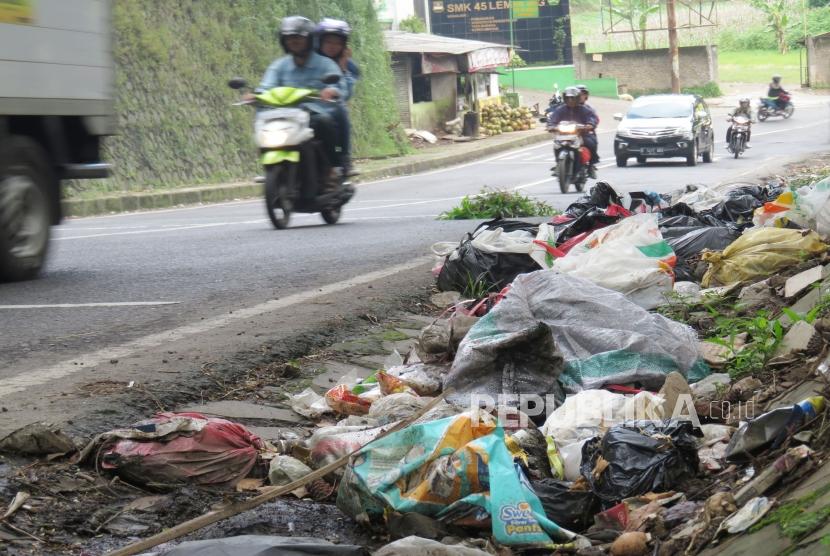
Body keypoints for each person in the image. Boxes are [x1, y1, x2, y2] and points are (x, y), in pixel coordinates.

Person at [258, 16, 349, 188]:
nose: (294, 41)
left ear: (309, 39)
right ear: (283, 41)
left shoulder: (325, 64)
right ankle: (272, 168)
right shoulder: (279, 66)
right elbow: (266, 86)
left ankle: (332, 168)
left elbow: (340, 87)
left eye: (298, 37)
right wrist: (254, 95)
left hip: (314, 116)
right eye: (289, 38)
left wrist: (332, 91)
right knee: (263, 125)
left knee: (324, 122)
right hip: (285, 117)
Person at [315, 17, 360, 177]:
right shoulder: (308, 59)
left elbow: (346, 93)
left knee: (340, 109)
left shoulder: (349, 66)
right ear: (319, 42)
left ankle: (344, 158)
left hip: (329, 108)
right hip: (304, 106)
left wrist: (343, 68)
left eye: (337, 43)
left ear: (343, 45)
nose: (332, 46)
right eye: (328, 42)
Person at [547, 87, 599, 178]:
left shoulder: (585, 109)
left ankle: (590, 166)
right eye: (568, 98)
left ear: (577, 98)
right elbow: (553, 119)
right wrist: (550, 126)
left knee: (591, 143)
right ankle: (559, 165)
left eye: (573, 98)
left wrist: (590, 124)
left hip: (581, 134)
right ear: (565, 98)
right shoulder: (561, 109)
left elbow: (592, 117)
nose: (570, 100)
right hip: (564, 134)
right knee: (556, 146)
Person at [575, 84, 600, 169]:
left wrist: (590, 124)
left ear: (586, 96)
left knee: (591, 143)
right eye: (577, 94)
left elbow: (594, 118)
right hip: (569, 134)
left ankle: (591, 164)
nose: (580, 96)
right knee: (557, 144)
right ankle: (559, 163)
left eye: (582, 94)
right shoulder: (566, 108)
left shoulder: (589, 108)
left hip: (584, 133)